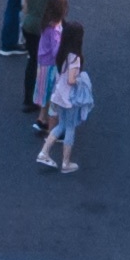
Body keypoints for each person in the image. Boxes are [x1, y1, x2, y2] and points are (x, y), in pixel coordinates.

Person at [36, 24, 98, 173]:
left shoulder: (62, 54)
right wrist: (80, 79)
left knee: (61, 126)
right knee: (70, 128)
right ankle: (66, 162)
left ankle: (44, 152)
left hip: (59, 96)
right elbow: (71, 79)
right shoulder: (75, 58)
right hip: (70, 98)